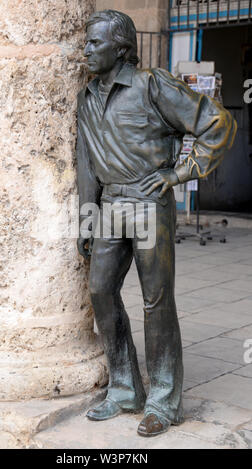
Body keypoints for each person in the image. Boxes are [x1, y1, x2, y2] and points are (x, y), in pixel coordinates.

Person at [76, 9, 237, 437]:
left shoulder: (152, 86)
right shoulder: (88, 95)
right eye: (86, 41)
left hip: (148, 205)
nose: (86, 50)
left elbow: (218, 123)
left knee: (156, 300)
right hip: (109, 206)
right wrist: (85, 217)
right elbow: (87, 164)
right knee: (100, 290)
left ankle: (163, 401)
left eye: (95, 43)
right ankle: (125, 388)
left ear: (121, 49)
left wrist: (178, 174)